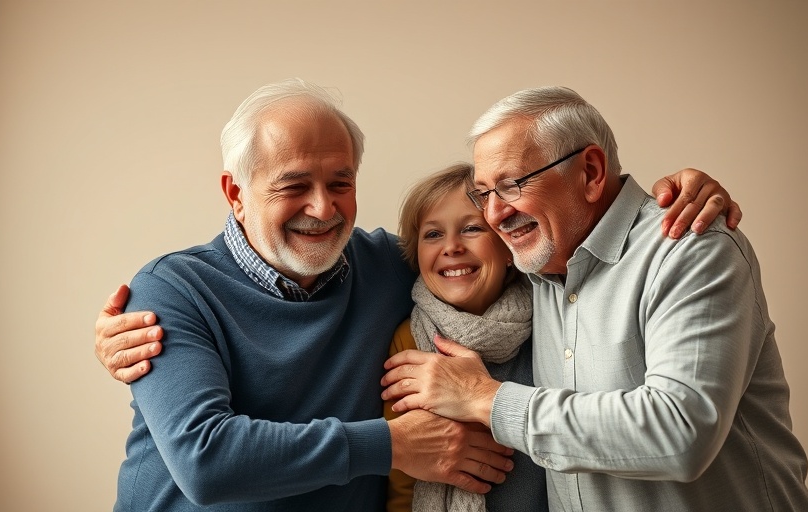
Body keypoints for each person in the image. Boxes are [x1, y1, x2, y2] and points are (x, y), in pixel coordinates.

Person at [95, 78, 742, 511]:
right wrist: (396, 442)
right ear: (236, 193)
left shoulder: (387, 264)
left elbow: (509, 227)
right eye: (294, 185)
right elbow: (207, 461)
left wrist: (671, 192)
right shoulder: (172, 291)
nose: (323, 208)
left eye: (341, 181)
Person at [381, 86, 808, 511]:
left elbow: (681, 432)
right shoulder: (532, 268)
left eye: (512, 185)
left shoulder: (690, 247)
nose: (494, 215)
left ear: (590, 171)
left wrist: (484, 398)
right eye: (485, 193)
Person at [385, 163, 546, 511]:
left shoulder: (550, 318)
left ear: (508, 247)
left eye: (472, 228)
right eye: (432, 234)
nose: (452, 246)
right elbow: (401, 479)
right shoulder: (408, 339)